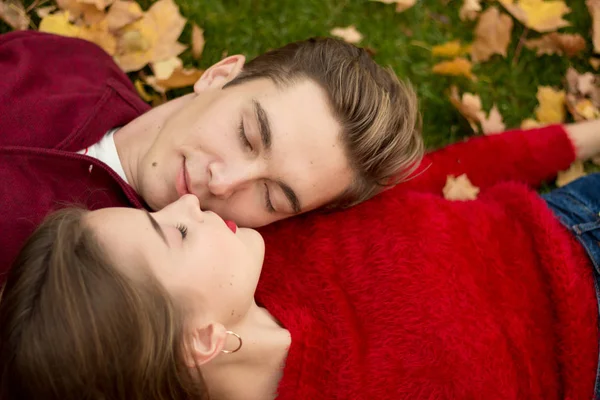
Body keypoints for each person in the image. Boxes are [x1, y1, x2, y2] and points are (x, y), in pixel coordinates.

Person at [2, 120, 600, 399]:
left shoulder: (269, 229)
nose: (185, 203)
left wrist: (580, 139)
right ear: (202, 340)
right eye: (174, 235)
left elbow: (429, 178)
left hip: (570, 216)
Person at [0, 30, 423, 271]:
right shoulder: (70, 61)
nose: (223, 183)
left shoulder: (116, 283)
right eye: (247, 135)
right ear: (220, 75)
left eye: (271, 197)